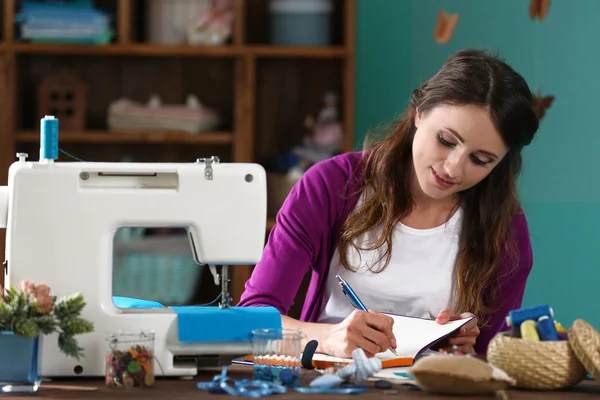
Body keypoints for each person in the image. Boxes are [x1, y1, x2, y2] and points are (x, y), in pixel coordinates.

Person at [237, 48, 539, 358]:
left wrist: (467, 344)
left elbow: (493, 360)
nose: (453, 168)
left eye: (480, 160)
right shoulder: (330, 186)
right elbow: (249, 321)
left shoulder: (506, 229)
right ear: (419, 112)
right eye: (446, 140)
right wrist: (327, 337)